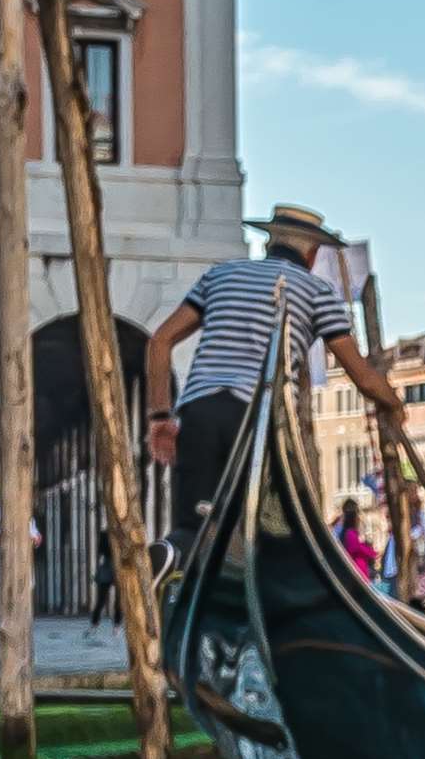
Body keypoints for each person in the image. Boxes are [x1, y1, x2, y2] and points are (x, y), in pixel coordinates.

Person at [143, 205, 394, 535]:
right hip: (255, 416)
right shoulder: (316, 290)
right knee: (266, 528)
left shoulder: (220, 276)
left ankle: (180, 561)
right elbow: (362, 376)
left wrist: (160, 416)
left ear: (267, 245)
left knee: (195, 523)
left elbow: (160, 341)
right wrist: (394, 405)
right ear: (313, 253)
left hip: (198, 411)